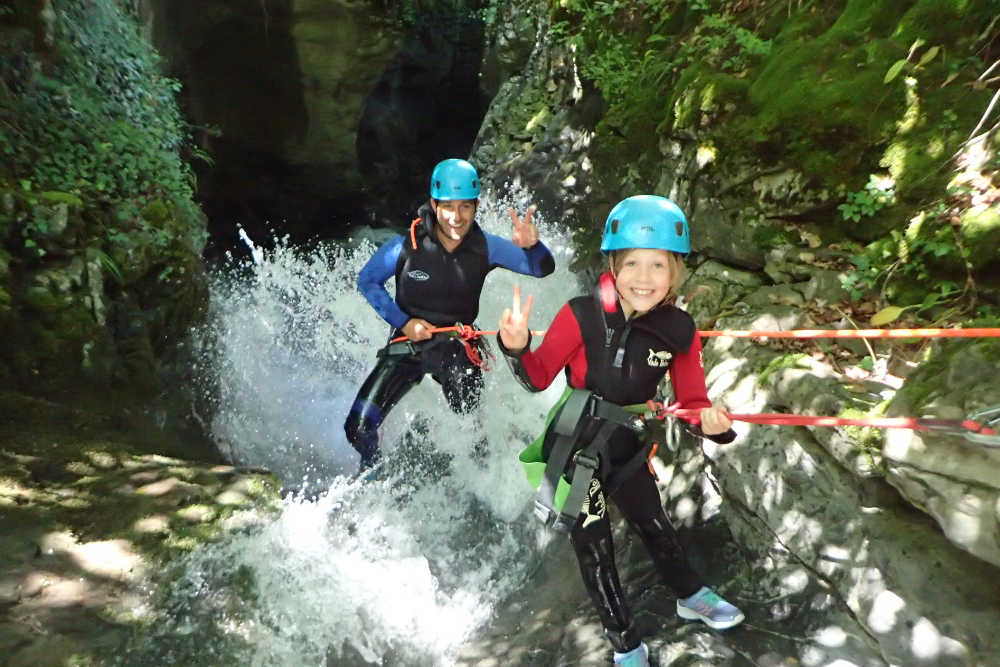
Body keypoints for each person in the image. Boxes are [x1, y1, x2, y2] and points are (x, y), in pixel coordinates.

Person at [497, 195, 744, 666]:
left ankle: (689, 595)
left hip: (625, 446)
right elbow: (538, 377)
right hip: (575, 448)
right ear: (613, 264)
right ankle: (625, 643)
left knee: (654, 523)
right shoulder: (580, 314)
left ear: (675, 271)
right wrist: (518, 347)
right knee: (596, 549)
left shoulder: (679, 331)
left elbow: (692, 404)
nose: (644, 278)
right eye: (632, 263)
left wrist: (714, 426)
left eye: (658, 265)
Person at [345, 158, 556, 474]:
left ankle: (480, 473)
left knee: (468, 422)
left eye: (465, 208)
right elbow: (367, 281)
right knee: (358, 429)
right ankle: (372, 471)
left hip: (459, 347)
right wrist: (403, 322)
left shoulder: (487, 247)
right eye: (447, 207)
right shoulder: (406, 245)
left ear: (475, 207)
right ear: (433, 204)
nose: (456, 217)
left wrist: (534, 245)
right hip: (408, 345)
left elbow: (541, 268)